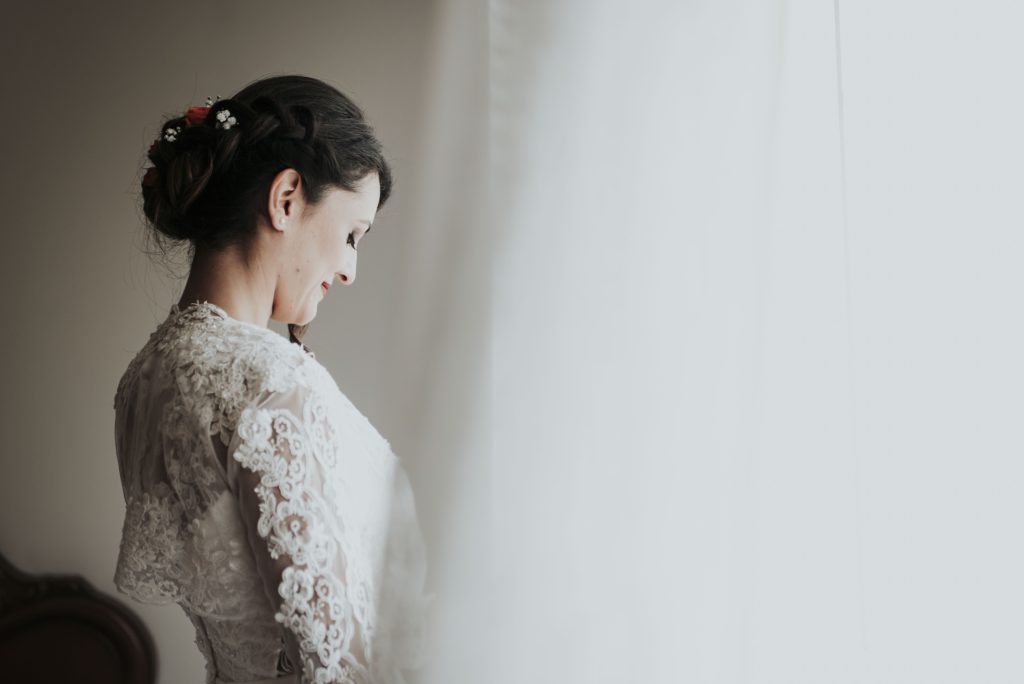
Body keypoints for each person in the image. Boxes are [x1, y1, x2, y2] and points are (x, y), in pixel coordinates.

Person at [112, 75, 432, 684]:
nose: (349, 270)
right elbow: (336, 663)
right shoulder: (267, 382)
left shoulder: (141, 384)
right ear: (286, 199)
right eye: (351, 235)